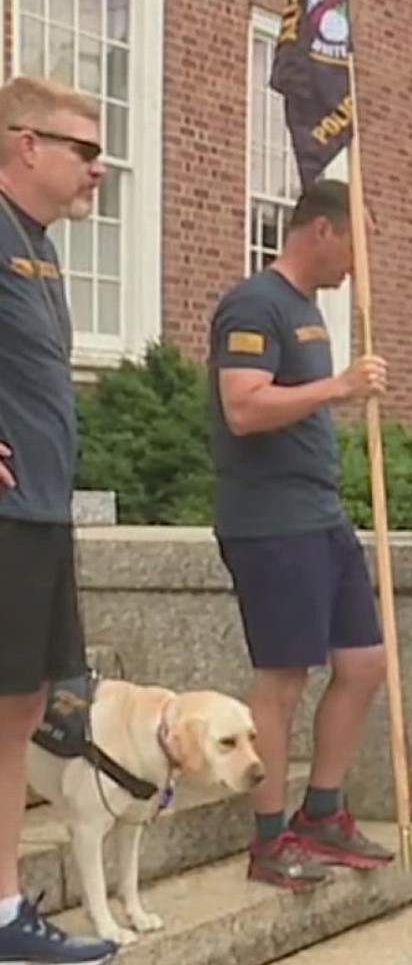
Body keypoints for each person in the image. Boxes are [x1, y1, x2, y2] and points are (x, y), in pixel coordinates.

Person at [208, 179, 395, 890]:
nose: (360, 262)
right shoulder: (255, 304)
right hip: (270, 520)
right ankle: (268, 836)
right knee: (282, 678)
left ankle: (323, 812)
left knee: (364, 662)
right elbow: (244, 409)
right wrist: (339, 388)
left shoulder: (308, 312)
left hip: (320, 512)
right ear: (320, 231)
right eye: (357, 241)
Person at [0, 75, 117, 963]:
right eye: (85, 150)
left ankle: (4, 914)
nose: (98, 169)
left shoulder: (36, 245)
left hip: (40, 508)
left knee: (23, 703)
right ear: (25, 143)